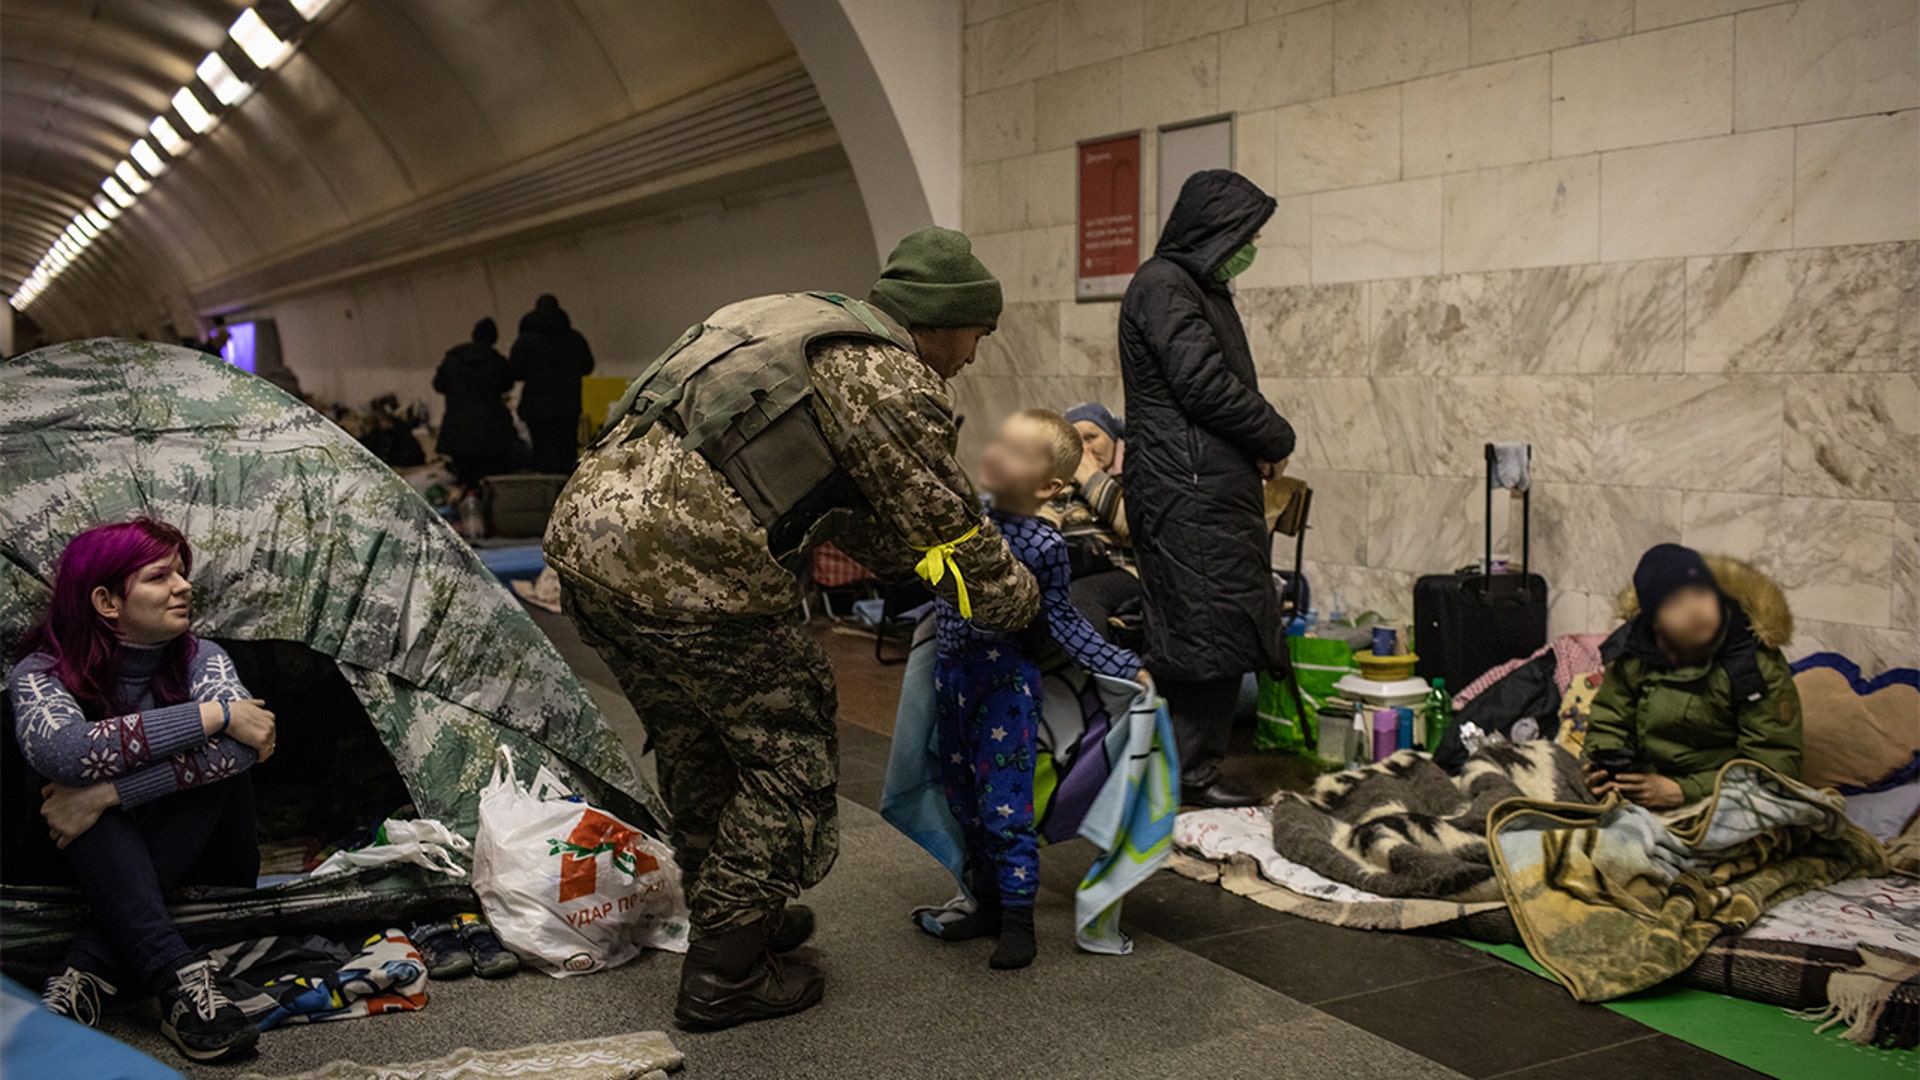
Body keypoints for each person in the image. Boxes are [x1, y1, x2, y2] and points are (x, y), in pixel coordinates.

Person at [544, 227, 1040, 1030]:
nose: (975, 356)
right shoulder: (889, 376)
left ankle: (742, 917)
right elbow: (946, 528)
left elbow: (845, 508)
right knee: (790, 759)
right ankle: (724, 976)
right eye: (979, 334)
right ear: (945, 322)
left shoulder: (795, 319)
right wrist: (1020, 605)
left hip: (587, 548)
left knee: (698, 740)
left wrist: (910, 564)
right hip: (689, 573)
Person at [6, 519, 278, 1064]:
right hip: (71, 865)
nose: (183, 586)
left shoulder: (204, 658)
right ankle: (175, 975)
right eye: (160, 577)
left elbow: (253, 744)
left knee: (211, 771)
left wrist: (106, 796)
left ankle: (91, 963)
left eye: (181, 573)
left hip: (200, 857)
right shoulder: (39, 673)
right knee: (69, 777)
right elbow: (65, 751)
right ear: (106, 601)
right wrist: (212, 715)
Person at [917, 409, 1147, 970]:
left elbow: (1063, 620)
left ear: (1049, 485)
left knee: (1005, 804)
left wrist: (1122, 664)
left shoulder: (1044, 543)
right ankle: (988, 904)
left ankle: (1020, 921)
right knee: (963, 800)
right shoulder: (963, 519)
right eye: (1001, 441)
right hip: (953, 681)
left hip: (1005, 687)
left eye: (1019, 452)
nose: (998, 453)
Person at [1119, 169, 1295, 810]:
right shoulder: (1164, 285)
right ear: (1215, 229)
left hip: (1203, 486)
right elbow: (1204, 386)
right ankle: (1185, 773)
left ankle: (1182, 767)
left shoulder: (1197, 286)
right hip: (1184, 488)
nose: (1250, 246)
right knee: (1202, 629)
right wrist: (1275, 435)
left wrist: (1255, 444)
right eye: (1246, 233)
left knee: (1215, 623)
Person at [1583, 544, 1803, 809]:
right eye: (1675, 602)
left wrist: (1683, 791)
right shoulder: (1633, 652)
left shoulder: (1751, 662)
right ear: (1654, 621)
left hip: (1725, 796)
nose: (1695, 611)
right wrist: (1606, 768)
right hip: (1645, 784)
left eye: (1701, 593)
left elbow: (1773, 767)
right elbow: (1609, 722)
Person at [1040, 401, 1139, 638]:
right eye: (1076, 442)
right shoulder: (1061, 484)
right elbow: (1041, 524)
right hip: (1074, 567)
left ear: (1114, 439)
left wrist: (1091, 478)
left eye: (1092, 437)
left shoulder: (1135, 474)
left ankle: (1101, 672)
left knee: (1079, 596)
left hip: (1126, 570)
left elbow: (1136, 528)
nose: (1084, 449)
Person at [509, 294, 596, 474]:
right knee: (567, 454)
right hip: (567, 405)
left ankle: (544, 496)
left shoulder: (525, 341)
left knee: (542, 454)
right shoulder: (574, 338)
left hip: (536, 407)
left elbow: (515, 372)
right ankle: (567, 494)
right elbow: (588, 367)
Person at [432, 318, 518, 489]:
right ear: (493, 339)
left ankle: (467, 508)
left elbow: (438, 385)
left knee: (464, 479)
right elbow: (508, 384)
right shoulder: (497, 362)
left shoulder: (452, 360)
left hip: (458, 428)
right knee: (489, 480)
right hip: (490, 430)